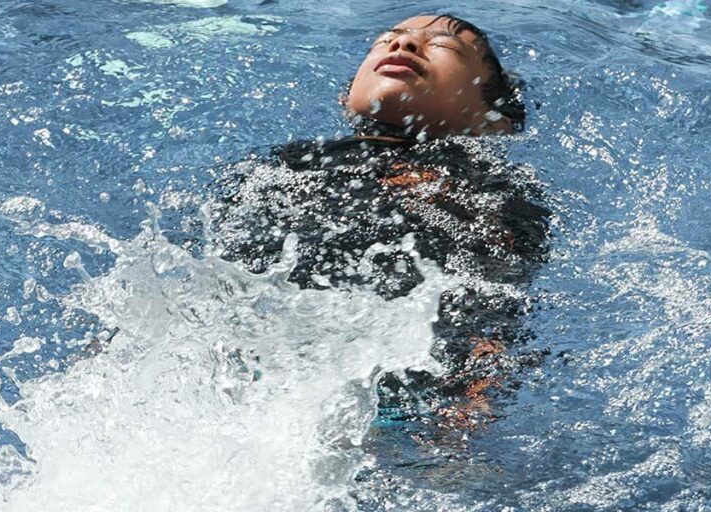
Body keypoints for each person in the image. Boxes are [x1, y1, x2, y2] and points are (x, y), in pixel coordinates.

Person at [210, 13, 550, 440]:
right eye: (387, 39)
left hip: (397, 395)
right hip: (254, 364)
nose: (402, 46)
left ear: (493, 121)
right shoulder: (286, 164)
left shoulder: (490, 187)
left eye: (443, 46)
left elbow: (500, 294)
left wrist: (476, 392)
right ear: (347, 97)